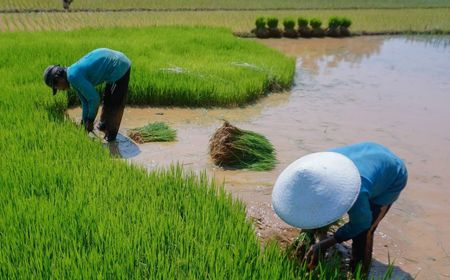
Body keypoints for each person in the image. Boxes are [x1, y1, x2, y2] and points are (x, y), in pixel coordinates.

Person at [272, 142, 408, 275]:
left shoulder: (358, 191)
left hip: (392, 175)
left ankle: (360, 273)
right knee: (315, 211)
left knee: (364, 233)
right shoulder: (318, 166)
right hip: (369, 153)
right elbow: (312, 207)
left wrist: (328, 242)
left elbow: (362, 223)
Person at [43, 48, 131, 142]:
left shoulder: (73, 76)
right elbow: (85, 102)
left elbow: (94, 99)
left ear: (58, 78)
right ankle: (103, 125)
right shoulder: (72, 77)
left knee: (114, 104)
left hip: (119, 65)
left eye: (57, 87)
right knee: (107, 98)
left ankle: (111, 136)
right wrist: (84, 122)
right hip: (112, 66)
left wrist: (90, 119)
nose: (60, 90)